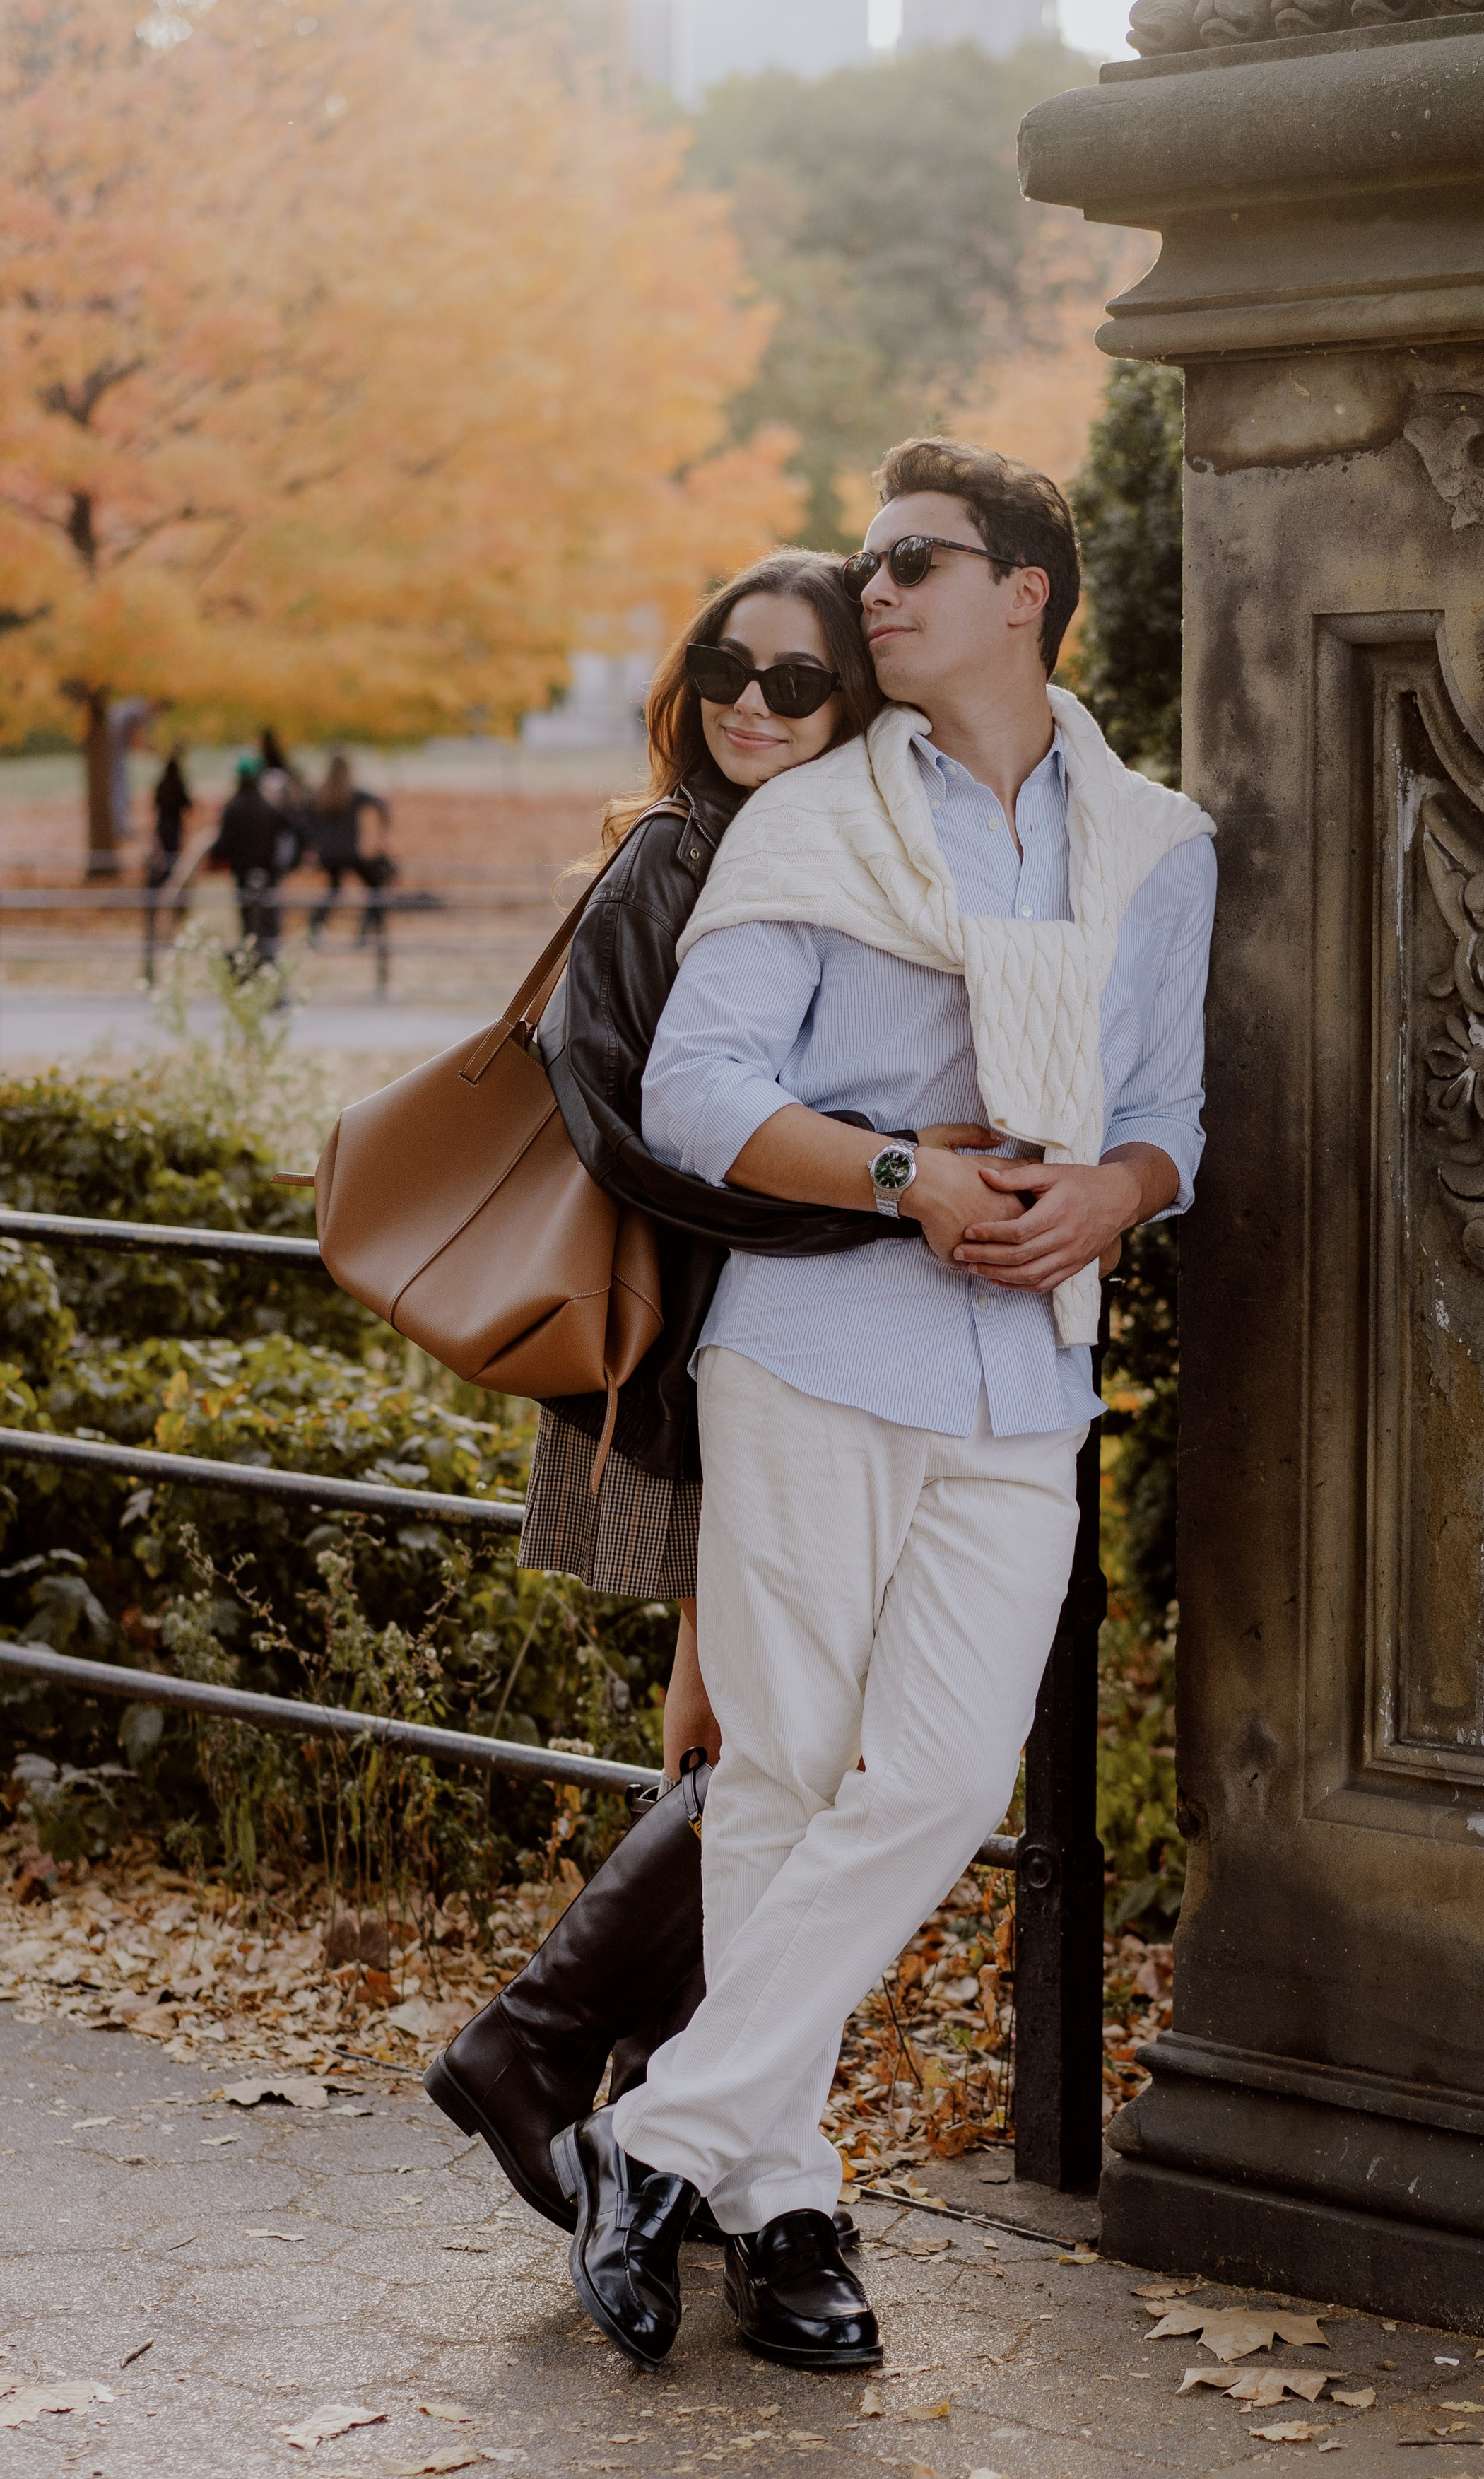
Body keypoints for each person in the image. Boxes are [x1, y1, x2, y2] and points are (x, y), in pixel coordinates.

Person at [551, 440, 1217, 2373]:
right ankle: (785, 2209)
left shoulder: (1154, 845)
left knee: (934, 1781)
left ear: (1025, 592)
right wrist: (902, 1174)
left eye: (914, 560)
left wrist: (1114, 1192)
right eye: (869, 562)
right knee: (780, 1773)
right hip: (814, 1351)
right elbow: (695, 1092)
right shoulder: (810, 820)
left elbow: (1169, 1112)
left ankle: (659, 2137)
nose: (876, 591)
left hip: (1026, 1372)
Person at [426, 549, 946, 2244]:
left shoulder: (814, 850)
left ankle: (658, 2099)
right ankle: (548, 2047)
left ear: (854, 702)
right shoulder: (677, 848)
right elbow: (639, 1127)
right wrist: (883, 1193)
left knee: (757, 1735)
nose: (751, 704)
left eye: (795, 681)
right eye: (726, 667)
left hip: (790, 1343)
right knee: (747, 1737)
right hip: (698, 1352)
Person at [208, 752, 301, 970]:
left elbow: (223, 844)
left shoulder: (233, 807)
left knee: (248, 920)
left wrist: (215, 855)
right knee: (269, 919)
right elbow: (296, 830)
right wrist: (288, 862)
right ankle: (268, 962)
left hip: (243, 873)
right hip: (269, 872)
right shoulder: (268, 807)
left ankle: (251, 962)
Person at [308, 754, 393, 947]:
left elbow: (304, 819)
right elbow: (381, 805)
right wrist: (382, 832)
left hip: (328, 854)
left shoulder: (321, 794)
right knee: (375, 888)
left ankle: (314, 928)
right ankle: (367, 934)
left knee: (334, 890)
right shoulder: (353, 793)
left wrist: (313, 843)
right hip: (349, 853)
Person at [142, 753, 192, 980]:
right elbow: (188, 805)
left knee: (165, 865)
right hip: (175, 830)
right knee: (173, 865)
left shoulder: (162, 784)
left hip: (164, 829)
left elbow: (155, 806)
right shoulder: (179, 783)